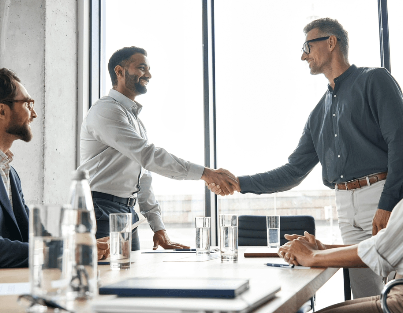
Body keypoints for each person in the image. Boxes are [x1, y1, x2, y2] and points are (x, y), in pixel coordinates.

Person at [207, 17, 403, 298]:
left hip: (381, 196)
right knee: (365, 293)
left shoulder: (375, 80)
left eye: (308, 46)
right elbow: (292, 172)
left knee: (396, 284)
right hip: (344, 205)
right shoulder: (317, 114)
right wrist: (238, 182)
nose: (303, 55)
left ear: (331, 42)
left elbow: (400, 143)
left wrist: (387, 203)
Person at [77, 46, 237, 251]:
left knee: (127, 278)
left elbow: (143, 178)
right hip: (100, 209)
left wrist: (158, 227)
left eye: (149, 69)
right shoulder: (106, 111)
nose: (149, 75)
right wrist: (205, 173)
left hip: (126, 211)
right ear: (119, 71)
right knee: (103, 278)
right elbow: (148, 156)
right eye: (142, 68)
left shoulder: (134, 120)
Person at [0, 68, 109, 268]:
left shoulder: (9, 173)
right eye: (27, 103)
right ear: (2, 110)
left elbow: (30, 233)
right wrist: (68, 250)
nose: (34, 113)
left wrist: (81, 243)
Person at [277, 198, 403, 313]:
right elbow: (386, 247)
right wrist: (323, 250)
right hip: (395, 294)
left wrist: (311, 256)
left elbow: (377, 252)